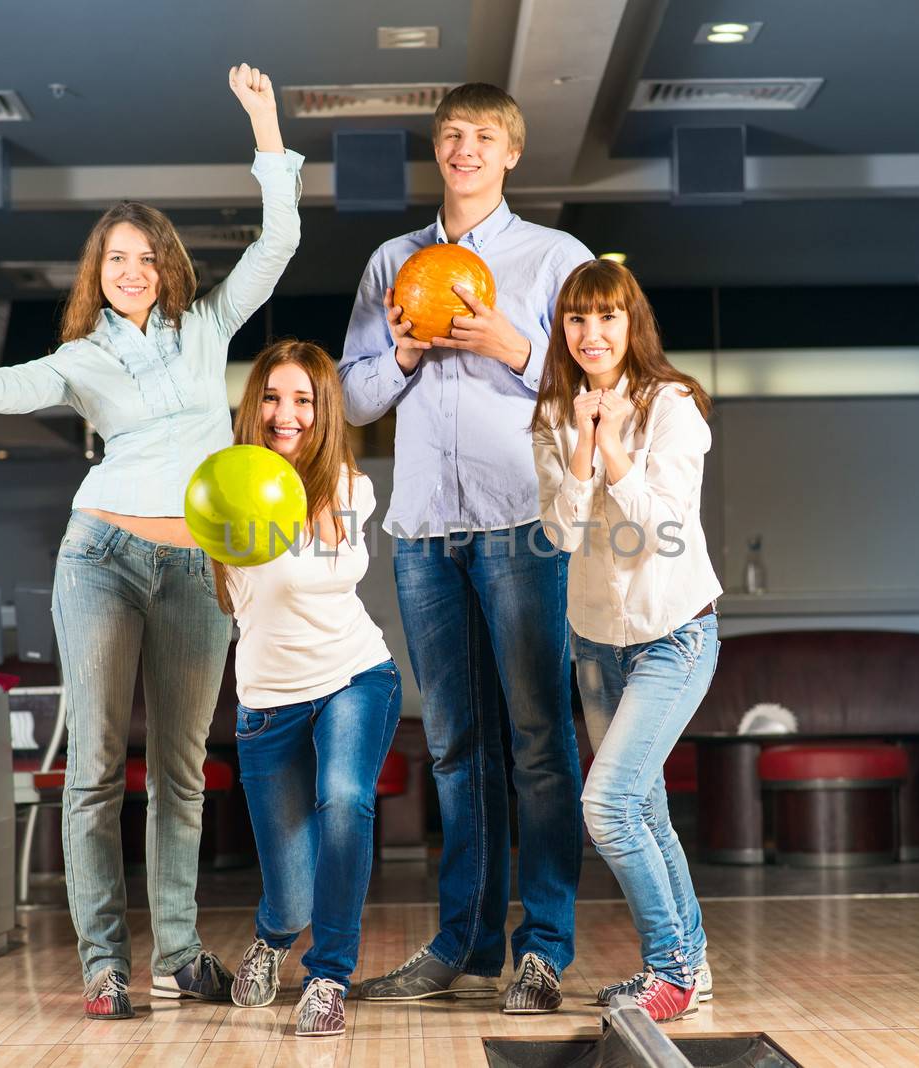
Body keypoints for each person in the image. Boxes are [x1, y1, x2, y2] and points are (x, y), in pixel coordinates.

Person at [0, 64, 302, 1022]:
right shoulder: (83, 361)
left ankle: (176, 953)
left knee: (178, 775)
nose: (132, 270)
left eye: (147, 256)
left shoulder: (210, 327)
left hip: (196, 570)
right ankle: (103, 967)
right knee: (93, 771)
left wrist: (265, 126)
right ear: (100, 273)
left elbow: (281, 238)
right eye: (115, 259)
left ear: (170, 264)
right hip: (101, 561)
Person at [340, 82, 593, 1014]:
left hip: (524, 523)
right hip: (422, 531)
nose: (465, 149)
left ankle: (547, 947)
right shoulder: (391, 262)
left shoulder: (553, 259)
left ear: (512, 153)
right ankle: (465, 944)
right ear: (435, 151)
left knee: (538, 739)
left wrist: (513, 347)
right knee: (453, 745)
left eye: (483, 136)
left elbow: (588, 389)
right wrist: (404, 358)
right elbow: (356, 399)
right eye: (451, 135)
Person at [531, 259, 722, 1023]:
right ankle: (694, 965)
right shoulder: (555, 413)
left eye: (607, 317)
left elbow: (655, 533)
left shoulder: (673, 406)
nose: (592, 333)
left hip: (674, 635)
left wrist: (611, 444)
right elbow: (560, 531)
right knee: (643, 811)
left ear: (630, 322)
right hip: (596, 644)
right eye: (577, 319)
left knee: (607, 807)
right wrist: (580, 438)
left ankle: (669, 970)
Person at [214, 339, 401, 1038]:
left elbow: (326, 569)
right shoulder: (221, 489)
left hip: (353, 675)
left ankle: (328, 977)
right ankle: (273, 934)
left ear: (323, 412)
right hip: (267, 702)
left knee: (346, 799)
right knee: (290, 896)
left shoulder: (350, 489)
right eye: (270, 396)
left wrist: (290, 503)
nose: (284, 413)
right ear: (252, 406)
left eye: (302, 400)